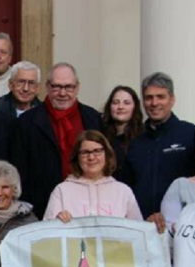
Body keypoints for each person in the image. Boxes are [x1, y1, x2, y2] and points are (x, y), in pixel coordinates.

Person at [9, 62, 101, 219]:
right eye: (57, 87)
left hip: (87, 206)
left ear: (77, 88)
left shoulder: (93, 118)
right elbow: (19, 172)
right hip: (41, 208)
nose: (62, 93)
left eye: (69, 87)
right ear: (47, 87)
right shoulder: (26, 123)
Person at [125, 72, 195, 218]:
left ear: (172, 99)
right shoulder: (136, 142)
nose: (154, 103)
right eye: (149, 98)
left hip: (181, 223)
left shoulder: (192, 135)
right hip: (143, 224)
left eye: (160, 97)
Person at [44, 130, 142, 222]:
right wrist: (57, 222)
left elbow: (138, 229)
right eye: (85, 152)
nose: (91, 157)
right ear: (77, 157)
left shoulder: (123, 191)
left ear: (107, 154)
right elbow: (47, 231)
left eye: (97, 151)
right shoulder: (62, 190)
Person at [100, 86, 143, 184]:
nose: (120, 107)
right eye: (116, 102)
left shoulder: (143, 138)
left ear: (135, 107)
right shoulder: (101, 137)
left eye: (126, 103)